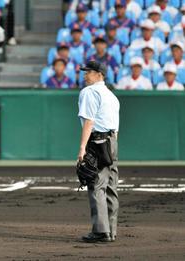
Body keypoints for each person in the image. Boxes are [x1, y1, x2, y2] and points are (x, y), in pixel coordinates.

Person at [77, 61, 120, 243]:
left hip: (98, 141)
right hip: (112, 142)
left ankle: (101, 231)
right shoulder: (111, 95)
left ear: (99, 74)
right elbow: (116, 128)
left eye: (88, 72)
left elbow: (89, 122)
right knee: (111, 186)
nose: (85, 75)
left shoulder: (89, 92)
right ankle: (111, 229)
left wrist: (82, 148)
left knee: (96, 185)